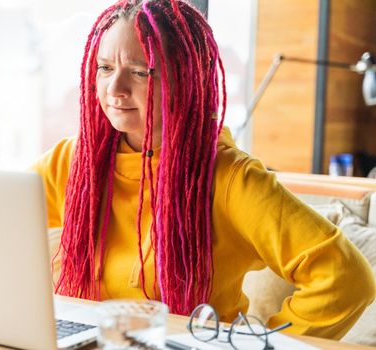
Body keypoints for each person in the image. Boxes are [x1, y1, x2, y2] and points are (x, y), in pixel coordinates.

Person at [31, 0, 375, 340]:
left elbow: (345, 278)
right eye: (105, 68)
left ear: (185, 79)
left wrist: (262, 344)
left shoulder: (230, 178)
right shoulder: (71, 160)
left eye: (139, 71)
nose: (114, 89)